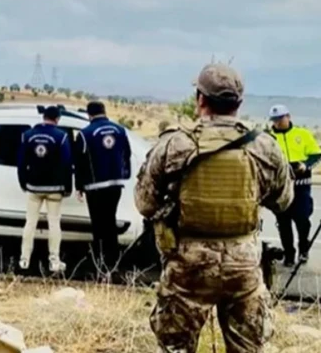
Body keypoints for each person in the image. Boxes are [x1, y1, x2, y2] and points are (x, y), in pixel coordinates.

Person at [135, 63, 293, 352]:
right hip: (243, 264)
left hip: (188, 265)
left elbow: (145, 203)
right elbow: (283, 201)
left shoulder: (175, 144)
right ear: (239, 103)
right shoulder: (263, 146)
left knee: (175, 348)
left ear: (200, 99)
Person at [74, 101, 131, 271]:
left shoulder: (85, 134)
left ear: (89, 114)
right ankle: (113, 260)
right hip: (115, 185)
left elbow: (80, 161)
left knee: (98, 224)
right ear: (104, 111)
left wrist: (79, 186)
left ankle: (100, 262)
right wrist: (124, 174)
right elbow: (126, 153)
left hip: (95, 187)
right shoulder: (120, 130)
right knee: (110, 221)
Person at [16, 105, 73, 273]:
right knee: (54, 223)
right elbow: (67, 164)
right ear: (57, 119)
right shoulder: (61, 136)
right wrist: (67, 187)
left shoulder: (27, 135)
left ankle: (24, 260)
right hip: (55, 188)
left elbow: (21, 162)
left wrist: (23, 182)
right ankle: (54, 261)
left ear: (44, 117)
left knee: (30, 222)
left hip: (34, 187)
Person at [268, 104, 321, 266]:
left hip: (301, 186)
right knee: (283, 223)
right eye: (275, 120)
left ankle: (303, 249)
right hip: (280, 187)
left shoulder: (302, 134)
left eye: (281, 118)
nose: (278, 122)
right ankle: (289, 255)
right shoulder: (268, 138)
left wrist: (305, 165)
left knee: (302, 220)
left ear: (288, 117)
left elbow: (316, 155)